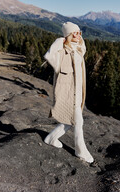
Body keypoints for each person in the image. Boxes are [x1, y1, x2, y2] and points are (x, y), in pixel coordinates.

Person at [43, 21, 94, 163]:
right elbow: (49, 55)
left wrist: (77, 37)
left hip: (77, 94)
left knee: (69, 121)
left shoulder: (78, 50)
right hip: (67, 94)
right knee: (78, 122)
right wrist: (61, 40)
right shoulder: (60, 54)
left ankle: (51, 138)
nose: (78, 35)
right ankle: (80, 150)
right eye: (75, 33)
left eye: (79, 32)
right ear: (68, 35)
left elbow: (82, 45)